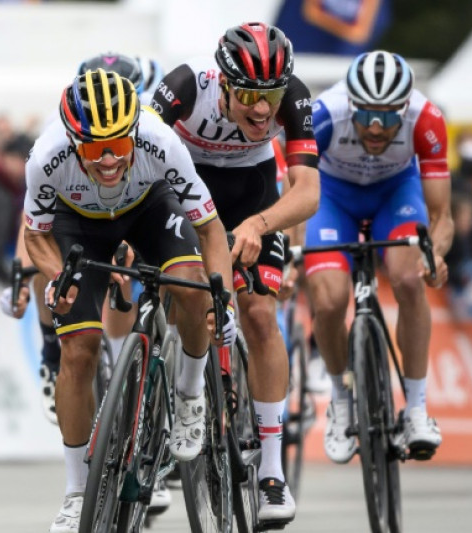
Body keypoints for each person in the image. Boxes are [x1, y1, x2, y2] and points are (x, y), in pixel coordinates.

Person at [25, 68, 236, 533]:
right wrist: (58, 277)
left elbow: (210, 228)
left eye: (119, 146)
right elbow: (35, 236)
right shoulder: (45, 157)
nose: (108, 161)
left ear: (135, 134)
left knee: (190, 285)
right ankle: (77, 492)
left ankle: (189, 395)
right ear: (72, 141)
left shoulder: (161, 142)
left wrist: (221, 298)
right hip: (78, 224)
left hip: (148, 209)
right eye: (94, 150)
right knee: (78, 351)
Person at [149, 22, 320, 525]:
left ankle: (272, 473)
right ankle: (175, 400)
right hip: (183, 190)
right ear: (222, 83)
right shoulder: (184, 87)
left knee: (261, 315)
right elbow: (141, 156)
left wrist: (259, 225)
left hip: (252, 193)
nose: (262, 110)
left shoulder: (295, 96)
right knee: (185, 292)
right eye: (248, 95)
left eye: (271, 96)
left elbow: (307, 192)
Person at [307, 50, 451, 464]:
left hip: (395, 193)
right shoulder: (323, 115)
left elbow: (442, 217)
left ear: (404, 110)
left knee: (409, 278)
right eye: (367, 114)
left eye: (388, 118)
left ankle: (417, 409)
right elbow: (297, 189)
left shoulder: (427, 119)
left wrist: (435, 255)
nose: (375, 127)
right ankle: (341, 401)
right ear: (351, 103)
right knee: (330, 300)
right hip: (332, 197)